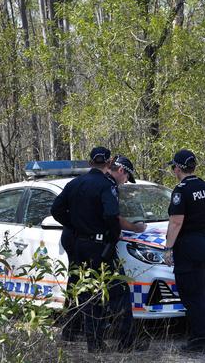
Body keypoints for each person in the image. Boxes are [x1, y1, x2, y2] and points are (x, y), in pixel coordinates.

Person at [51, 147, 147, 353]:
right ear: (110, 163)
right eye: (126, 176)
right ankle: (126, 342)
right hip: (100, 247)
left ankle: (94, 344)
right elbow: (111, 216)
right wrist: (112, 238)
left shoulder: (74, 183)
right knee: (120, 293)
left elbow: (55, 209)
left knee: (86, 293)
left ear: (90, 162)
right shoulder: (107, 186)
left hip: (79, 245)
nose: (125, 180)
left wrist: (75, 226)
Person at [163, 149, 205, 353]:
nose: (173, 170)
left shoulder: (181, 191)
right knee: (203, 292)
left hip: (189, 247)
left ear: (177, 167)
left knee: (191, 293)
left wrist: (168, 248)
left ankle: (198, 341)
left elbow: (176, 222)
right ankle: (201, 335)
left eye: (173, 167)